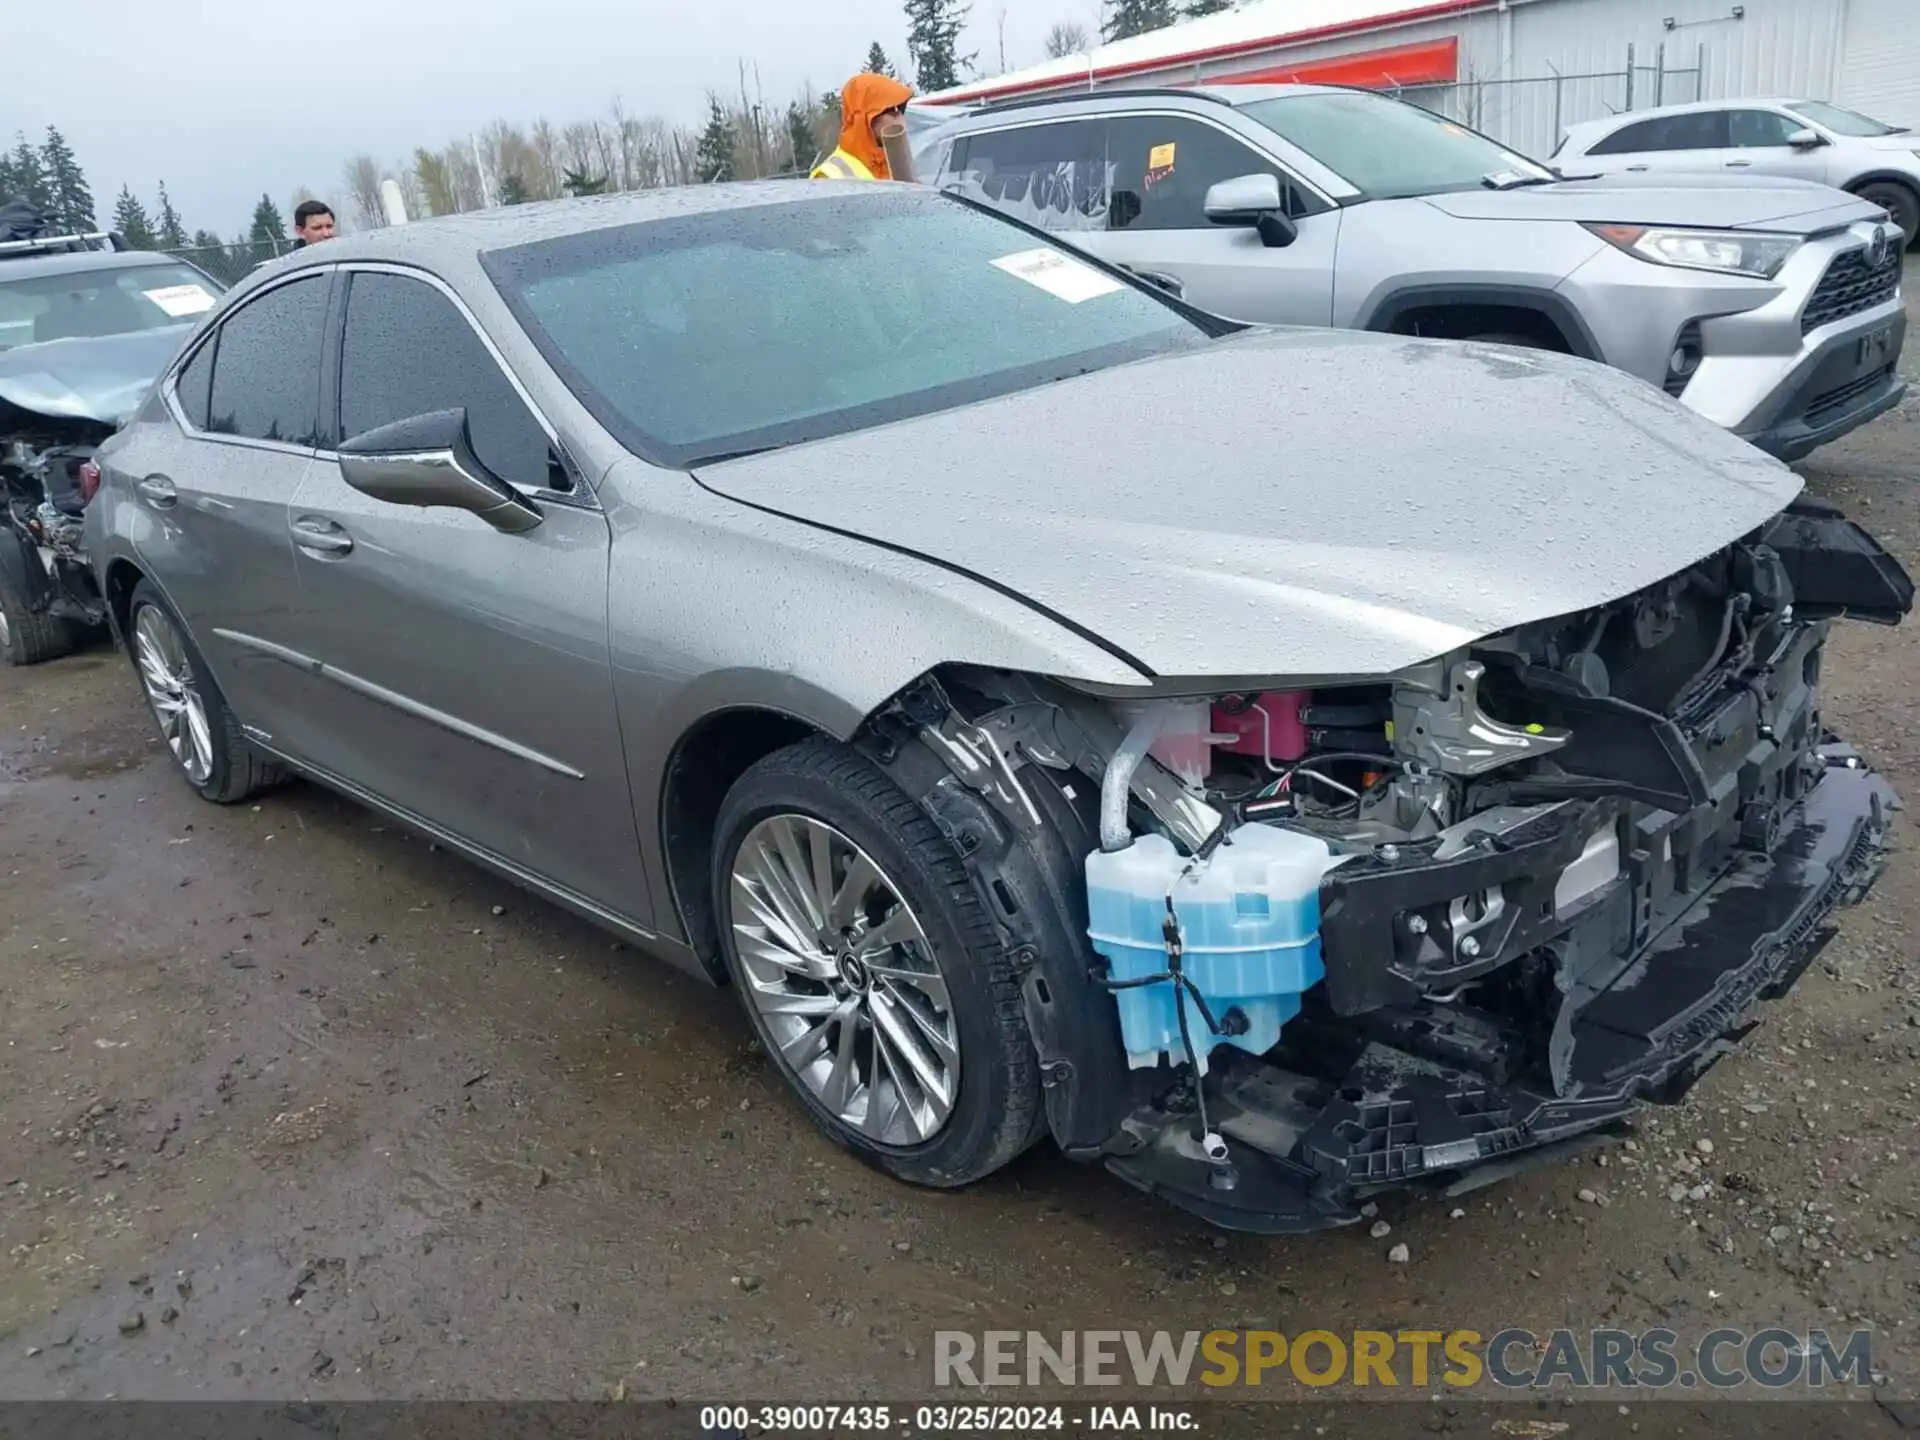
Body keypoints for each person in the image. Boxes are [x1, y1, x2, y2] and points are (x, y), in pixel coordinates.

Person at [811, 72, 914, 181]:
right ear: (864, 119)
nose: (899, 116)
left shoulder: (899, 164)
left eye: (900, 108)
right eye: (890, 110)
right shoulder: (828, 176)